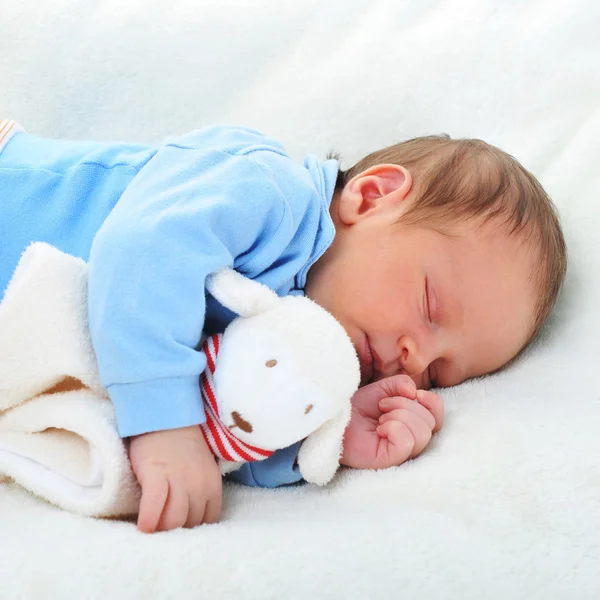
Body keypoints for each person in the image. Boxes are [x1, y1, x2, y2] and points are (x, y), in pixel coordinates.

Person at [0, 120, 566, 533]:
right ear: (372, 198)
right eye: (430, 306)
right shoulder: (270, 195)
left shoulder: (296, 339)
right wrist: (164, 424)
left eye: (439, 372)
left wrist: (324, 441)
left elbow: (225, 429)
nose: (414, 359)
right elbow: (142, 255)